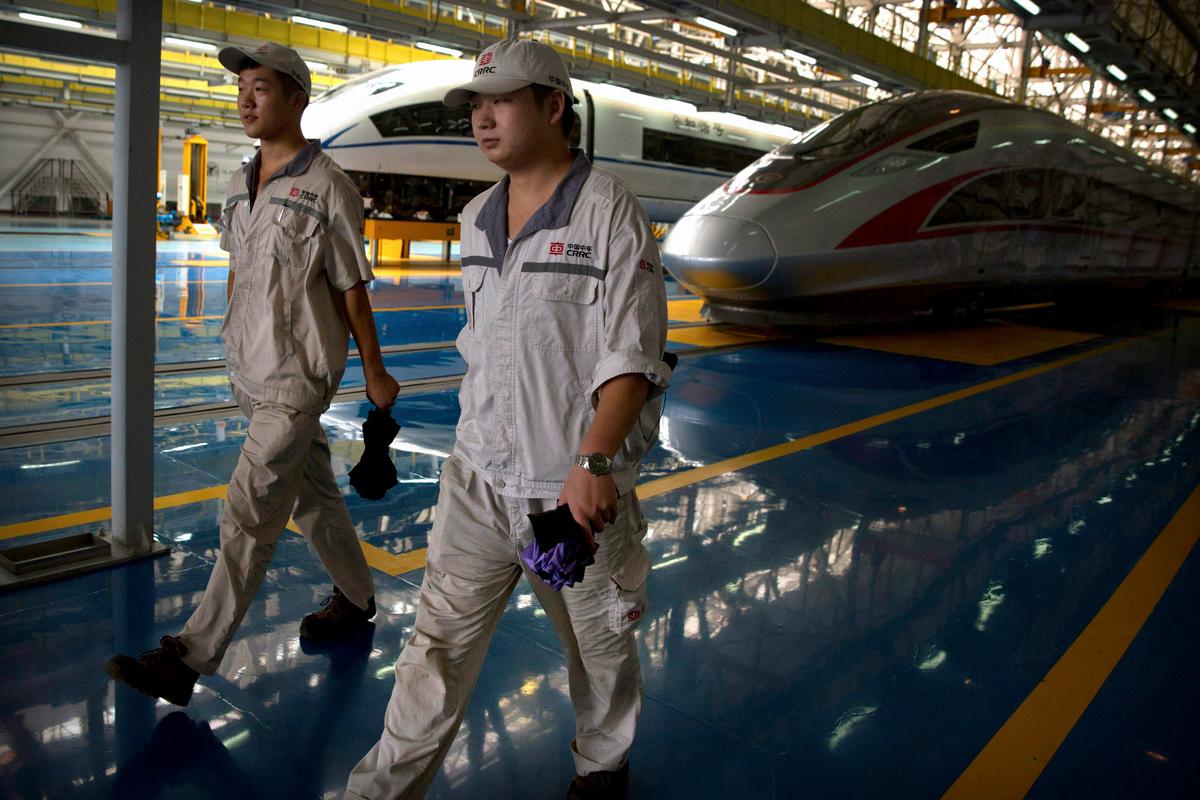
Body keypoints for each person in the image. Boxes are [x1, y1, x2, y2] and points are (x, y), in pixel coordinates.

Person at [345, 38, 670, 800]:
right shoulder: (476, 217)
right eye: (475, 107)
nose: (482, 120)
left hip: (567, 496)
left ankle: (602, 762)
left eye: (500, 103)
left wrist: (591, 463)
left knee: (595, 643)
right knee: (436, 646)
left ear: (552, 107)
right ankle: (379, 791)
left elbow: (630, 357)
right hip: (480, 479)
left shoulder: (608, 211)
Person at [105, 42, 401, 707]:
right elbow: (241, 267)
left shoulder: (329, 187)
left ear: (296, 98)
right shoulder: (241, 180)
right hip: (251, 371)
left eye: (260, 87)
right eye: (241, 87)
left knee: (247, 512)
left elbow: (352, 285)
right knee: (313, 497)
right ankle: (356, 599)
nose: (245, 98)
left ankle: (188, 657)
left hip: (297, 380)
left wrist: (375, 372)